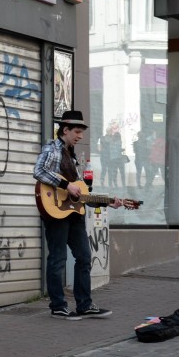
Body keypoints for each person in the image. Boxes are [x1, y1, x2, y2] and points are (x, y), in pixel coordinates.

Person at [33, 110, 121, 319]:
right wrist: (66, 185)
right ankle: (58, 306)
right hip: (55, 213)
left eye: (81, 132)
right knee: (58, 259)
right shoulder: (52, 149)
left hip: (73, 214)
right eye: (77, 132)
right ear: (65, 130)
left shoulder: (71, 155)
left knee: (83, 257)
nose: (80, 136)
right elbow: (38, 171)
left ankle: (85, 305)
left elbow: (79, 193)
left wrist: (109, 202)